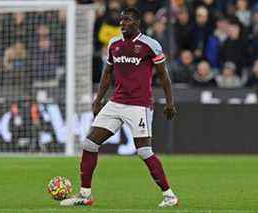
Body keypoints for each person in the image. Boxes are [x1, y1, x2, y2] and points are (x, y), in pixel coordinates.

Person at [60, 7, 178, 208]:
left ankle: (169, 195)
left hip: (139, 105)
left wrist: (169, 103)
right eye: (121, 20)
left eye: (128, 20)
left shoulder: (150, 45)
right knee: (89, 144)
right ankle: (85, 194)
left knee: (144, 151)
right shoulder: (114, 44)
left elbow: (164, 76)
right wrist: (98, 100)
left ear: (137, 23)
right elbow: (107, 74)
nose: (123, 23)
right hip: (116, 102)